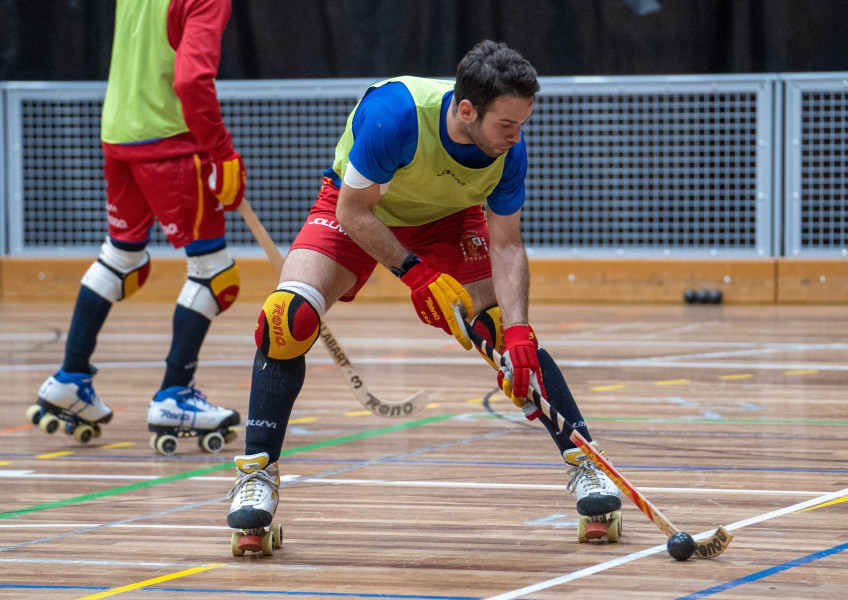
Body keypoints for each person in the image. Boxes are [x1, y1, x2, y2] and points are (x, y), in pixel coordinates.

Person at [226, 40, 620, 537]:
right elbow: (352, 211)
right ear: (466, 109)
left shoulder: (508, 151)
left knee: (503, 332)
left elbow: (507, 246)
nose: (517, 137)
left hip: (449, 221)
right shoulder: (396, 114)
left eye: (523, 124)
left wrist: (519, 330)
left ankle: (587, 464)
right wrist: (414, 273)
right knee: (287, 319)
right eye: (507, 125)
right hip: (359, 210)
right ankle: (257, 473)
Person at [29, 0, 244, 455]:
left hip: (118, 135)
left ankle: (69, 378)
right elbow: (189, 78)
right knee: (215, 274)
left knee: (121, 259)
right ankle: (175, 395)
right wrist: (221, 151)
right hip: (170, 143)